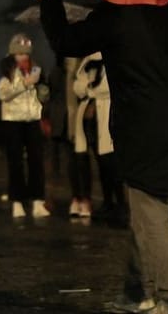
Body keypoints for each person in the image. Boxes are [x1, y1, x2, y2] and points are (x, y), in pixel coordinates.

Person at [37, 0, 168, 314]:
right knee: (145, 213)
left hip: (142, 129)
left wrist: (50, 0)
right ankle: (137, 292)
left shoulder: (118, 14)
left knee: (153, 216)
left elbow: (66, 42)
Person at [0, 33, 50, 219]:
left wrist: (42, 90)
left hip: (32, 119)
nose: (23, 57)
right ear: (12, 54)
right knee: (15, 162)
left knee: (36, 161)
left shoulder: (36, 69)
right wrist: (25, 84)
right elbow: (3, 94)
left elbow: (42, 93)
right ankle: (17, 201)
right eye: (19, 53)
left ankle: (37, 200)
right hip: (12, 121)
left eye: (25, 53)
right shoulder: (7, 72)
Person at [67, 51, 119, 220]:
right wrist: (89, 90)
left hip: (105, 115)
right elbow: (77, 86)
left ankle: (117, 203)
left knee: (109, 163)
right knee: (89, 158)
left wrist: (89, 90)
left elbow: (107, 87)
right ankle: (106, 202)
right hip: (88, 117)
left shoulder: (113, 59)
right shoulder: (88, 62)